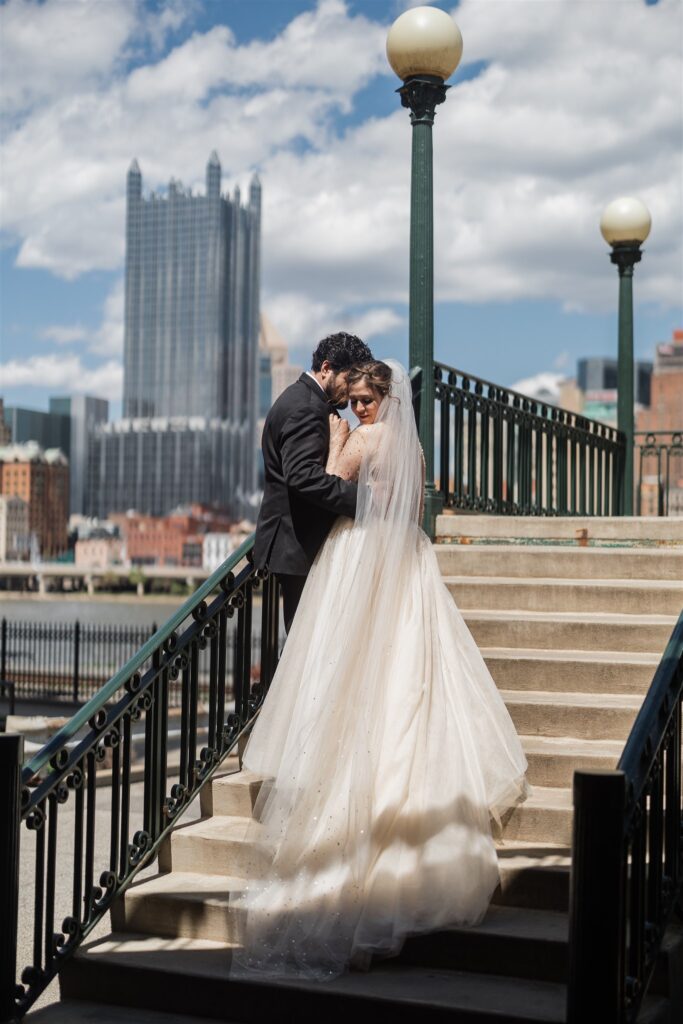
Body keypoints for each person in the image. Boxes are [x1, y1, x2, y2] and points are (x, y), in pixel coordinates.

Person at [232, 360, 530, 981]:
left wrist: (340, 440)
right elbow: (411, 505)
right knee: (411, 674)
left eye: (368, 400)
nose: (360, 408)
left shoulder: (362, 438)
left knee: (356, 672)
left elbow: (325, 484)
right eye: (357, 400)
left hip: (360, 554)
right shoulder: (413, 446)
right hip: (407, 559)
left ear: (383, 399)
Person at [254, 331, 373, 632]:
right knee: (305, 645)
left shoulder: (303, 399)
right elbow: (302, 476)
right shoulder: (307, 406)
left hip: (296, 544)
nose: (353, 389)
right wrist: (363, 500)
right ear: (326, 368)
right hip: (298, 548)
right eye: (350, 379)